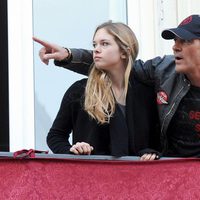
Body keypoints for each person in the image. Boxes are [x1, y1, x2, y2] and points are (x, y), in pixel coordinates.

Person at [33, 22, 160, 160]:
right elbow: (55, 136)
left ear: (125, 52)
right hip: (91, 177)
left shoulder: (146, 93)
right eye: (94, 45)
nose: (96, 50)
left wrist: (151, 152)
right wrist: (72, 151)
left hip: (137, 177)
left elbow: (158, 139)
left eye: (104, 44)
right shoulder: (80, 91)